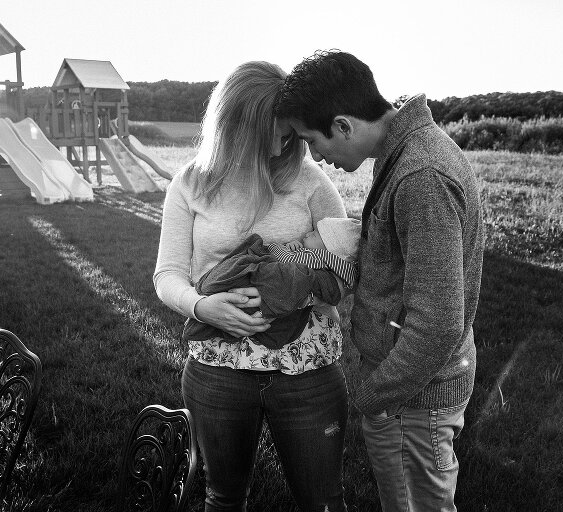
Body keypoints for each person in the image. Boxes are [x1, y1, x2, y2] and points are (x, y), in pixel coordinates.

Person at [276, 50, 485, 512]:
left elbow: (438, 323)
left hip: (412, 398)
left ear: (344, 125)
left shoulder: (421, 175)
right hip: (407, 392)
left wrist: (373, 396)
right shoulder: (405, 152)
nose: (316, 157)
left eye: (312, 140)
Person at [153, 61, 349, 512]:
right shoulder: (190, 185)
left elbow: (344, 269)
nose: (285, 145)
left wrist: (295, 291)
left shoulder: (311, 182)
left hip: (306, 370)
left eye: (291, 135)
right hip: (219, 370)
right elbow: (167, 275)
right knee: (223, 499)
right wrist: (204, 308)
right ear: (239, 125)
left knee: (323, 502)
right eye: (277, 133)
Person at [183, 217, 361, 348]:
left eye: (314, 234)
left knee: (243, 269)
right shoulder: (321, 258)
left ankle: (213, 288)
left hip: (303, 354)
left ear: (329, 248)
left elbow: (285, 260)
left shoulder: (317, 257)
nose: (307, 233)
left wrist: (278, 247)